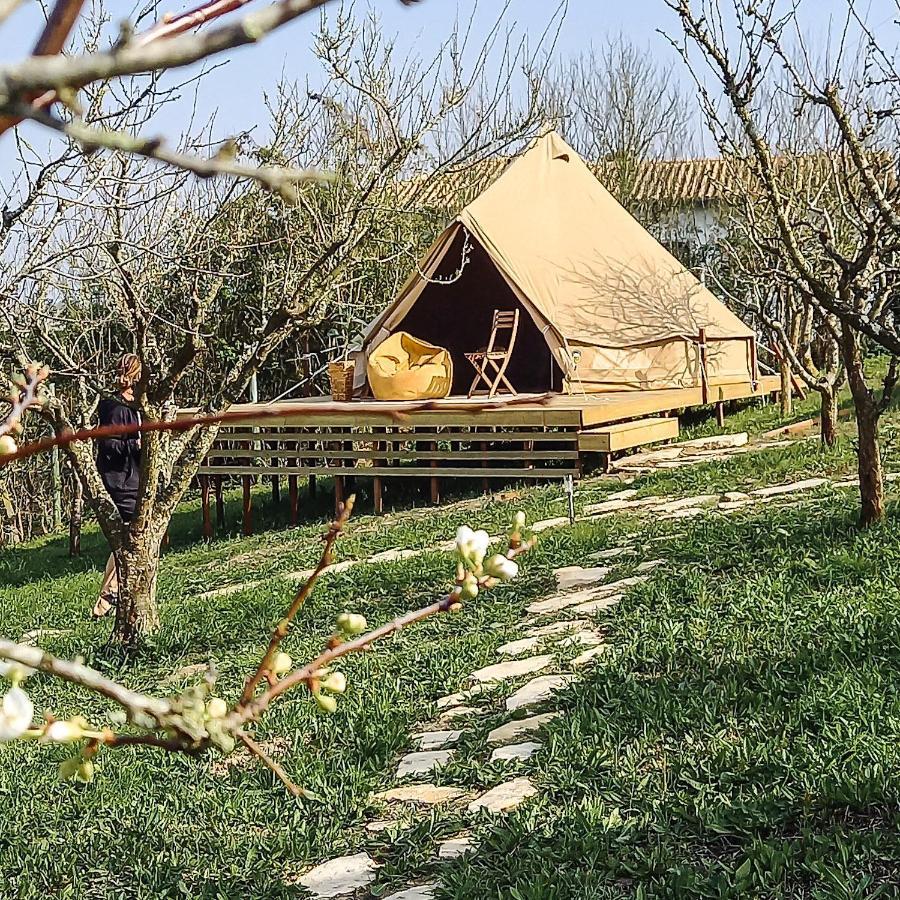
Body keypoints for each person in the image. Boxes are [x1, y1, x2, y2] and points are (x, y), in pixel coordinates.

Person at [92, 354, 142, 618]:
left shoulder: (135, 405)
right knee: (128, 539)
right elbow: (110, 445)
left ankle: (111, 595)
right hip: (122, 479)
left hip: (129, 476)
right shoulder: (115, 406)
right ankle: (108, 596)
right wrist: (136, 446)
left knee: (129, 539)